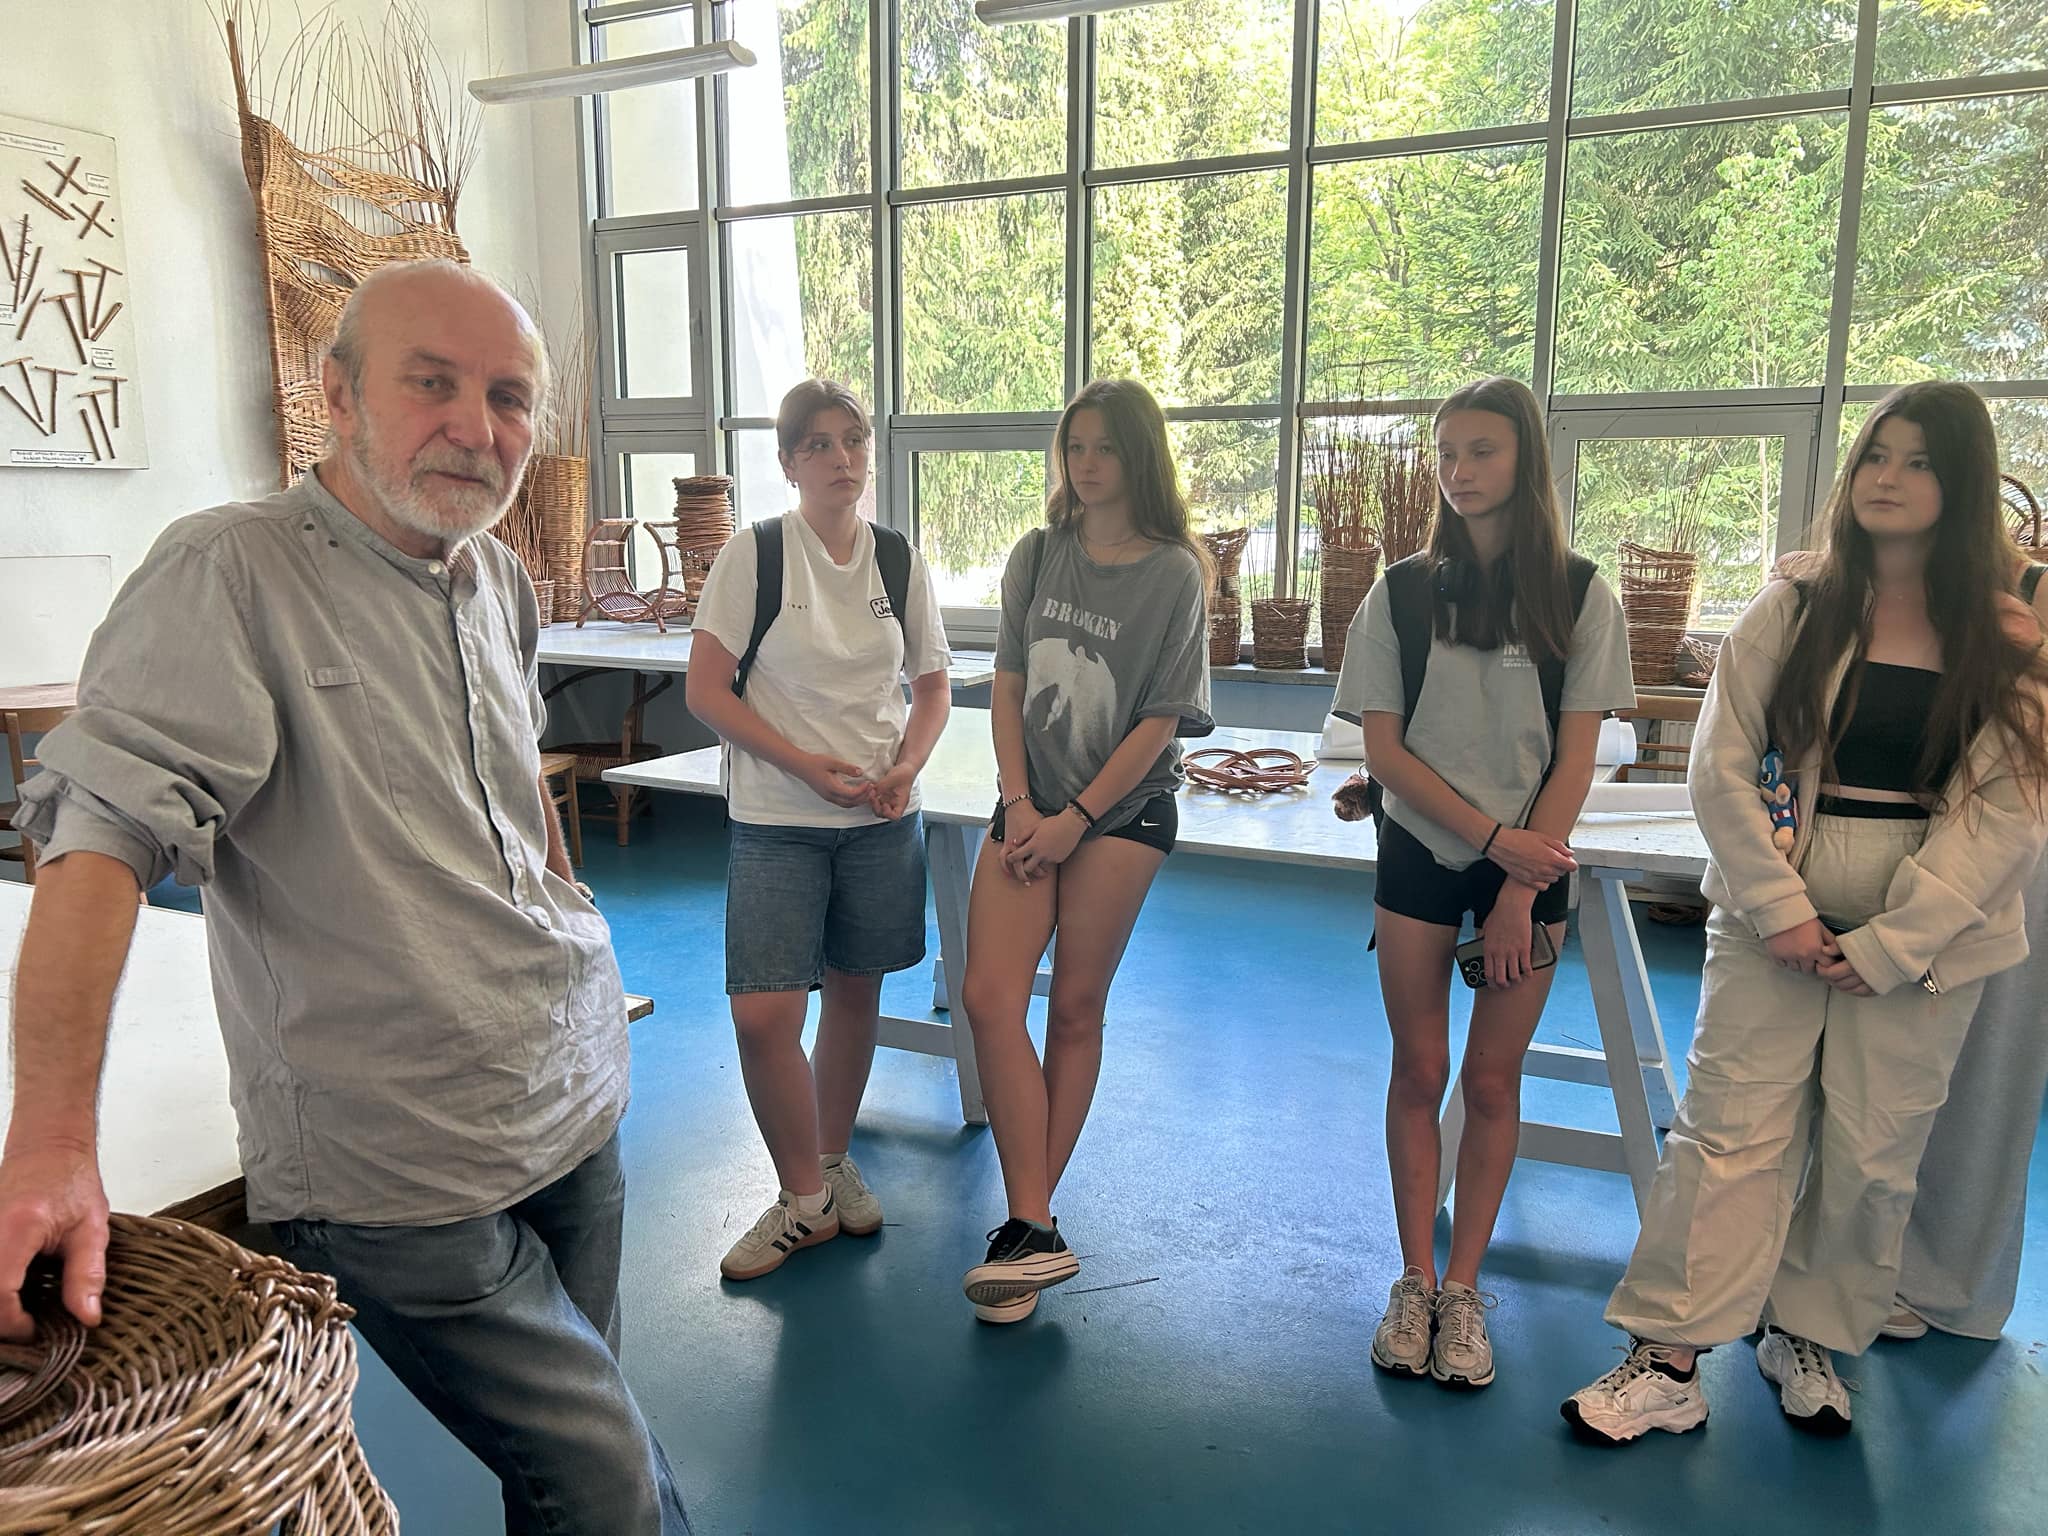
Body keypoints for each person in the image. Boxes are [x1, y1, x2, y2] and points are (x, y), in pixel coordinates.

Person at [0, 260, 690, 1531]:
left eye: (508, 397)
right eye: (432, 384)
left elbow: (516, 778)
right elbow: (99, 834)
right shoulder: (230, 572)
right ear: (337, 393)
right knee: (607, 1476)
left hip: (567, 1096)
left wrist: (568, 907)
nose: (475, 427)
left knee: (578, 1458)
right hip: (394, 1161)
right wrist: (50, 1144)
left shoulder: (493, 577)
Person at [1563, 381, 2048, 1444]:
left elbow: (2008, 810)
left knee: (1873, 1151)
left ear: (1961, 484)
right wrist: (1778, 907)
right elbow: (1720, 764)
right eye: (1876, 454)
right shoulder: (1788, 608)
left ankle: (1808, 1330)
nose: (1886, 477)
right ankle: (1668, 1355)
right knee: (1725, 1132)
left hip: (1930, 938)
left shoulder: (2009, 639)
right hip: (1770, 915)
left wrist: (1893, 944)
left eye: (1918, 461)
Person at [1330, 375, 1635, 1389]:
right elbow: (1384, 750)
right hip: (1421, 855)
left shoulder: (1581, 595)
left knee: (1492, 1080)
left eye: (1481, 451)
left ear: (1524, 461)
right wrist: (1490, 841)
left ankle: (1463, 1290)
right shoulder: (1399, 593)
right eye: (1445, 452)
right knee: (1418, 1070)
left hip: (1530, 872)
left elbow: (1576, 757)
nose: (1458, 471)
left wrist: (1515, 887)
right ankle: (1412, 1280)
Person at [956, 378, 1213, 1323]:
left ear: (1139, 456)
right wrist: (1020, 802)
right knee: (989, 997)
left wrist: (1076, 820)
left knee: (1073, 1008)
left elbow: (1161, 720)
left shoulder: (1175, 573)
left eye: (1106, 446)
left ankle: (1027, 1224)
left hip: (1123, 812)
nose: (1088, 463)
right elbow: (1009, 682)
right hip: (1031, 806)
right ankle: (1036, 1230)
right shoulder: (1039, 553)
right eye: (1076, 446)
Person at [683, 378, 951, 1282]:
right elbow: (706, 691)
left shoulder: (899, 562)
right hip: (777, 820)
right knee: (764, 1015)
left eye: (853, 440)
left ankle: (828, 1169)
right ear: (789, 463)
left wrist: (905, 767)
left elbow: (932, 688)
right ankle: (802, 1202)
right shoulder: (756, 556)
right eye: (819, 444)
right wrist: (802, 765)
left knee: (855, 994)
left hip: (879, 821)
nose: (842, 458)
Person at [1883, 543, 2048, 1341]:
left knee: (1985, 1066)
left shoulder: (2032, 595)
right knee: (1872, 1061)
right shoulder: (1885, 577)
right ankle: (1831, 1257)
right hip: (1901, 839)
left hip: (2013, 849)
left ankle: (1937, 1276)